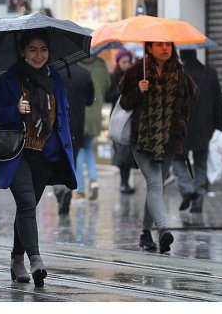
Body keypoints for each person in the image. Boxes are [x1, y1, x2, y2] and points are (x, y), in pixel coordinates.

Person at [0, 30, 77, 287]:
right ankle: (36, 259)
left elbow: (62, 114)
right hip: (17, 153)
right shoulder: (9, 80)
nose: (39, 56)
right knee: (26, 204)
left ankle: (17, 259)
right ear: (23, 53)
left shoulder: (55, 79)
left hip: (45, 156)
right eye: (33, 50)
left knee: (27, 208)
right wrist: (14, 109)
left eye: (44, 50)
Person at [119, 41, 196, 254]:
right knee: (155, 183)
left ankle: (145, 233)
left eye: (167, 45)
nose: (164, 48)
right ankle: (162, 230)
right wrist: (138, 91)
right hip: (141, 139)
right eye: (159, 45)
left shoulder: (180, 73)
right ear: (149, 48)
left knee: (157, 186)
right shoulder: (138, 70)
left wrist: (181, 126)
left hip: (169, 140)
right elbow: (124, 102)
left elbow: (188, 104)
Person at [172, 49, 222, 213]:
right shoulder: (209, 73)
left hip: (181, 127)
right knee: (201, 163)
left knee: (177, 159)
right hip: (204, 127)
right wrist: (218, 125)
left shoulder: (178, 74)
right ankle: (198, 201)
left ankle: (187, 188)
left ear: (182, 56)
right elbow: (218, 102)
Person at [55, 63, 94, 214]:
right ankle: (68, 190)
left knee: (57, 159)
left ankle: (60, 191)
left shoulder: (54, 72)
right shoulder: (84, 73)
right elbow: (90, 100)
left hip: (58, 122)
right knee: (72, 159)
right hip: (77, 124)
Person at [76, 55, 110, 201]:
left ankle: (81, 190)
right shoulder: (101, 65)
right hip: (95, 113)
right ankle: (94, 180)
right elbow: (108, 85)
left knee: (77, 151)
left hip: (79, 113)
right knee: (88, 148)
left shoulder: (76, 64)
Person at [105, 48, 138, 194]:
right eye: (123, 62)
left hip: (131, 119)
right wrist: (120, 91)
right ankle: (123, 183)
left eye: (128, 61)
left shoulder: (135, 77)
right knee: (121, 153)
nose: (126, 64)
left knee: (128, 153)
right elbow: (107, 97)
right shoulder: (113, 77)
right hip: (118, 120)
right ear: (118, 62)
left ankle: (125, 182)